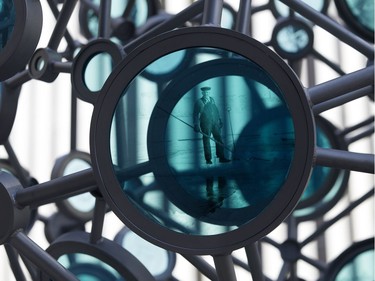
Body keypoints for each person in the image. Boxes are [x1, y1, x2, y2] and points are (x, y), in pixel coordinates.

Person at [193, 86, 230, 164]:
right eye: (205, 92)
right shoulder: (199, 102)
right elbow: (195, 114)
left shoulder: (212, 100)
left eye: (208, 92)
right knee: (206, 141)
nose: (207, 94)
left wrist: (219, 120)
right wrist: (196, 124)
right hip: (205, 124)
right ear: (202, 93)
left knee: (219, 139)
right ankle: (208, 159)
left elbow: (216, 111)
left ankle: (221, 157)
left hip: (215, 123)